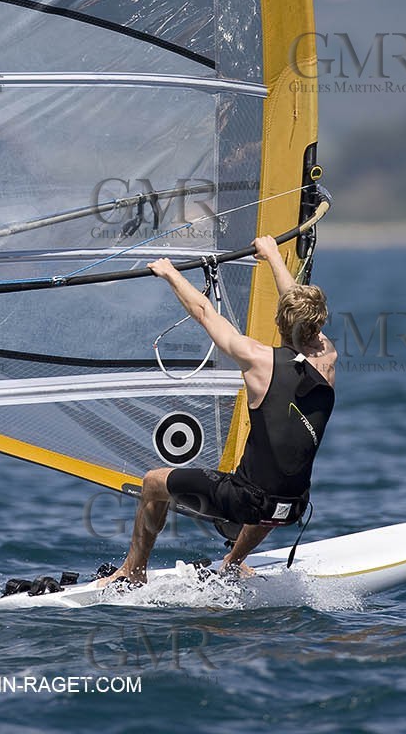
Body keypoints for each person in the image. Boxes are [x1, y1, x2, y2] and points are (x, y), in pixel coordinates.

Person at [100, 233, 335, 587]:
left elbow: (204, 311)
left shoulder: (257, 359)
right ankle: (234, 561)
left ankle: (133, 571)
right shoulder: (327, 357)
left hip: (247, 502)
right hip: (293, 506)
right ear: (317, 325)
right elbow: (298, 307)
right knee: (275, 480)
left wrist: (170, 273)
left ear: (279, 322)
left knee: (153, 482)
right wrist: (272, 254)